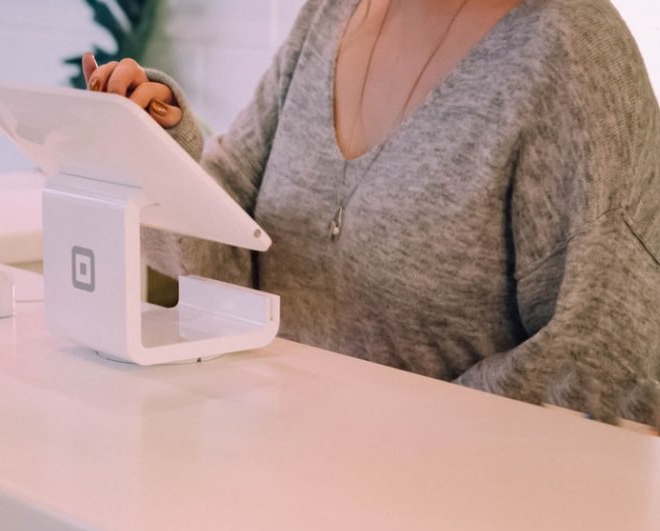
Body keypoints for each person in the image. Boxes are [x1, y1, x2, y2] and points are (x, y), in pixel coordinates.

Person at [85, 0, 660, 425]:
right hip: (262, 461)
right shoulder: (330, 16)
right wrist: (152, 148)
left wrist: (383, 443)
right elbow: (227, 241)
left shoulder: (570, 50)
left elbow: (593, 361)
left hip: (435, 528)